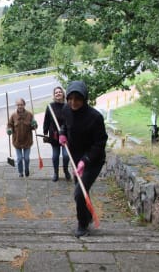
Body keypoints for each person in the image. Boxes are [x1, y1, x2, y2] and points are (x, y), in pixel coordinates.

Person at [58, 80, 108, 238]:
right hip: (75, 158)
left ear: (84, 99)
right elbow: (64, 125)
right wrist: (62, 134)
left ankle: (82, 224)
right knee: (82, 190)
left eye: (77, 99)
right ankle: (88, 216)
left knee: (79, 193)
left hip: (93, 160)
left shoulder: (95, 117)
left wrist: (85, 160)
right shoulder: (66, 110)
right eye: (70, 98)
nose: (73, 102)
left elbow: (100, 143)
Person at [43, 86, 71, 182]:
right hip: (54, 135)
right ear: (54, 95)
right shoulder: (50, 107)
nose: (58, 93)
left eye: (60, 92)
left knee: (66, 155)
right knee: (55, 156)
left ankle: (66, 170)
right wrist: (45, 132)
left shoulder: (68, 106)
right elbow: (46, 120)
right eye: (56, 92)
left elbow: (71, 120)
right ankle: (56, 173)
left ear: (63, 94)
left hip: (65, 135)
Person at [7, 98, 37, 178]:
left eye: (21, 104)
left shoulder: (30, 115)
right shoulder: (13, 116)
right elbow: (9, 125)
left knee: (26, 158)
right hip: (17, 141)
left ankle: (26, 169)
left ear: (24, 105)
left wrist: (34, 125)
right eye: (18, 105)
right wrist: (9, 130)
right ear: (16, 105)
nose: (20, 106)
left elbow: (34, 127)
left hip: (27, 141)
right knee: (19, 159)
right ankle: (20, 172)